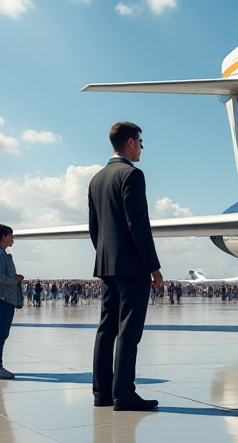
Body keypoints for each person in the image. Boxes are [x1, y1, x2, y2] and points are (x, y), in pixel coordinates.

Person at [89, 122, 162, 411]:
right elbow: (138, 225)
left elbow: (94, 227)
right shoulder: (132, 175)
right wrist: (153, 266)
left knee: (106, 328)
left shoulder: (96, 179)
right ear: (130, 142)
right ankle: (124, 393)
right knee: (129, 332)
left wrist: (106, 256)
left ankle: (102, 393)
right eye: (141, 142)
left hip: (107, 264)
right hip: (132, 267)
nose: (142, 147)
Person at [0, 224, 23, 379]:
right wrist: (15, 280)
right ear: (3, 236)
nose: (12, 238)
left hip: (4, 297)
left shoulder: (2, 253)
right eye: (10, 235)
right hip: (2, 297)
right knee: (0, 333)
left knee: (0, 333)